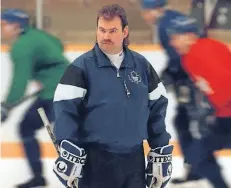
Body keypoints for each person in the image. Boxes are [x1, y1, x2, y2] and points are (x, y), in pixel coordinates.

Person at [52, 4, 173, 188]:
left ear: (125, 32)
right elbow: (65, 110)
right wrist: (68, 146)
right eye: (102, 30)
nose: (105, 36)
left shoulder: (141, 65)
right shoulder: (81, 67)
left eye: (112, 31)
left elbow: (157, 107)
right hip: (96, 161)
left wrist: (159, 147)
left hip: (134, 160)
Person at [140, 0, 208, 185]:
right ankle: (196, 166)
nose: (144, 16)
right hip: (200, 76)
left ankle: (196, 167)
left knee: (187, 122)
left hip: (191, 78)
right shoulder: (182, 18)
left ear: (155, 10)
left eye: (145, 11)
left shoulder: (165, 25)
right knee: (191, 121)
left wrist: (169, 76)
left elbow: (178, 56)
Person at [1, 9, 69, 188]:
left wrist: (6, 106)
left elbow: (19, 82)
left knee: (26, 128)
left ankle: (39, 176)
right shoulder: (37, 35)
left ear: (15, 26)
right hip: (71, 84)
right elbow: (59, 46)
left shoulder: (21, 47)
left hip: (56, 92)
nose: (1, 29)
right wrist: (45, 73)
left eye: (3, 24)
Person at [168, 15, 231, 188]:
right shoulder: (190, 55)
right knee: (198, 152)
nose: (172, 43)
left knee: (197, 153)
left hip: (226, 115)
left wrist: (212, 110)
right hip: (224, 116)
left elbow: (225, 83)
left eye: (175, 37)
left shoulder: (201, 52)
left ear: (189, 36)